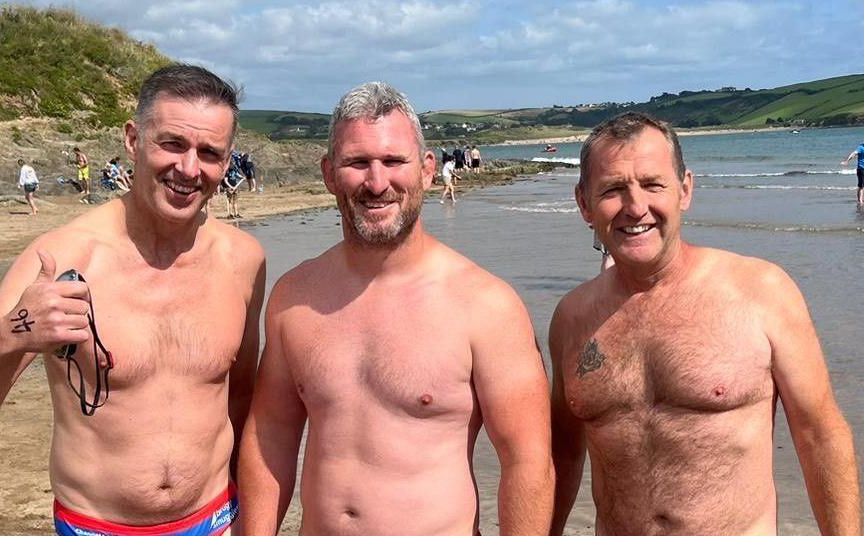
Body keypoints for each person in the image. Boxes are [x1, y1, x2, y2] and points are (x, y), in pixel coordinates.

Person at [0, 64, 266, 536]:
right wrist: (10, 334)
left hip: (215, 520)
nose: (189, 168)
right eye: (172, 143)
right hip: (96, 525)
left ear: (227, 160)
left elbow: (242, 396)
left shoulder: (244, 260)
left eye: (209, 152)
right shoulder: (62, 257)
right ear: (133, 139)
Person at [238, 81, 553, 535]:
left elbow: (527, 464)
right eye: (357, 163)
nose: (377, 182)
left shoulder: (486, 306)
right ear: (329, 173)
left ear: (427, 169)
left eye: (392, 161)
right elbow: (271, 437)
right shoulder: (295, 297)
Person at [549, 112, 860, 535]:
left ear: (685, 190)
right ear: (584, 203)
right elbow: (563, 455)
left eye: (653, 184)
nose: (636, 207)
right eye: (613, 189)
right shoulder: (572, 318)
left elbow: (819, 435)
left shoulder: (762, 291)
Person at [841, 140, 864, 205]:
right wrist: (847, 161)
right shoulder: (861, 147)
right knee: (861, 185)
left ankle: (861, 199)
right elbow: (853, 153)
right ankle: (860, 201)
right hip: (861, 169)